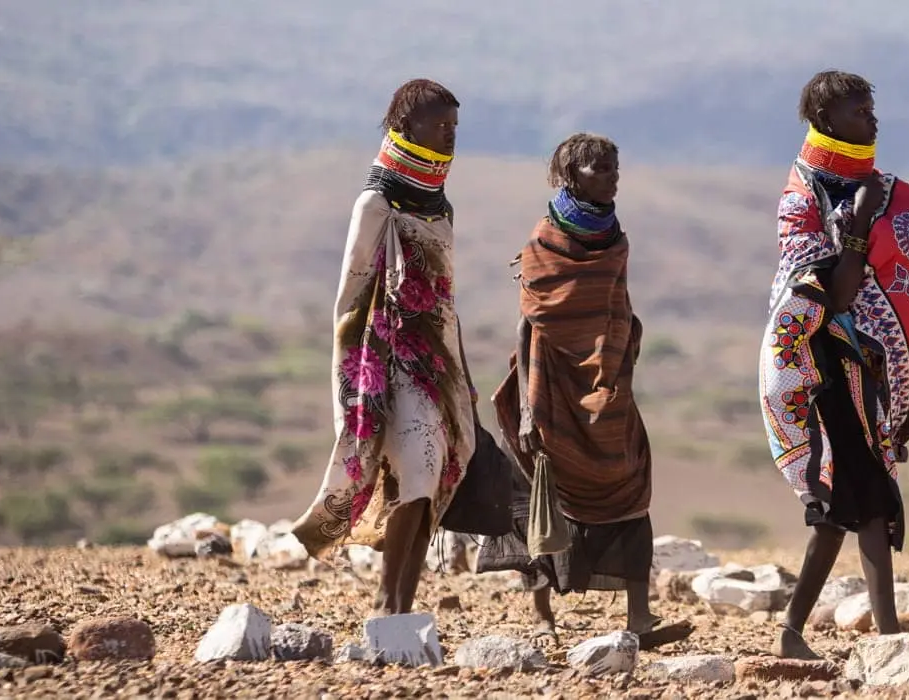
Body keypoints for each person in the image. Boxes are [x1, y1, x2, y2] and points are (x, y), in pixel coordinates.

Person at [761, 70, 909, 659]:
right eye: (859, 111)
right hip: (819, 370)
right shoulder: (801, 198)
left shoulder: (885, 189)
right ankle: (807, 632)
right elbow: (834, 296)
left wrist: (899, 392)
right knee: (841, 501)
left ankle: (873, 632)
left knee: (865, 495)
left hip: (866, 373)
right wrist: (862, 227)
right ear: (825, 120)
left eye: (872, 108)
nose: (873, 120)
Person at [491, 133, 691, 650]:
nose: (612, 175)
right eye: (601, 168)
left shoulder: (614, 238)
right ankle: (541, 615)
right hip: (553, 379)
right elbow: (528, 322)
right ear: (571, 175)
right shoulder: (543, 242)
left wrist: (626, 339)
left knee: (630, 478)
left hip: (608, 379)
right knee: (546, 485)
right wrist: (529, 408)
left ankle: (640, 618)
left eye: (615, 166)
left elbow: (616, 299)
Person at [291, 79, 477, 615]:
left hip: (435, 365)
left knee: (431, 476)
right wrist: (356, 380)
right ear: (405, 128)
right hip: (383, 362)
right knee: (414, 470)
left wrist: (459, 368)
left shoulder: (441, 207)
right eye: (439, 128)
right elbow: (350, 297)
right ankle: (387, 603)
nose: (449, 138)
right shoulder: (375, 202)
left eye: (454, 129)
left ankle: (399, 601)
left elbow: (443, 296)